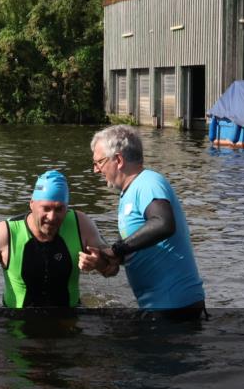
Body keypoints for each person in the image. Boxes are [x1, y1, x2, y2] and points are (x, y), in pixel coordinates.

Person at [80, 125, 206, 317]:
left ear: (119, 160)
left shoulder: (148, 183)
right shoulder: (129, 193)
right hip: (159, 305)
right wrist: (104, 259)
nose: (96, 170)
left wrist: (117, 249)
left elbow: (163, 224)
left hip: (175, 305)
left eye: (99, 162)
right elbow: (139, 249)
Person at [0, 170, 108, 309]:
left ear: (67, 207)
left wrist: (100, 262)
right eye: (46, 208)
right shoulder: (4, 233)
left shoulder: (82, 225)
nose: (52, 217)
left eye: (59, 209)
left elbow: (112, 268)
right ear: (32, 204)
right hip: (18, 324)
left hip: (70, 318)